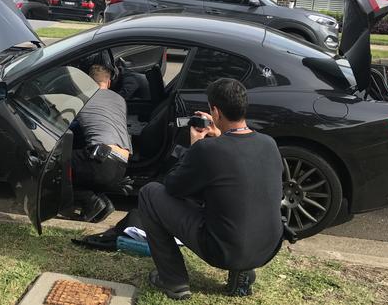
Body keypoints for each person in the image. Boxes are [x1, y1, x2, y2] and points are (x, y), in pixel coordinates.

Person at [138, 78, 284, 300]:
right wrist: (219, 136)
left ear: (215, 112)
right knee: (241, 199)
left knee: (150, 194)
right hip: (268, 247)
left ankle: (174, 281)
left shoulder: (208, 150)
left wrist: (196, 144)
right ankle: (242, 272)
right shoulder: (269, 143)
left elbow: (174, 186)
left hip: (224, 249)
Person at [72, 64, 132, 222]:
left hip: (101, 160)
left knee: (56, 164)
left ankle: (91, 201)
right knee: (83, 163)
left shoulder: (83, 97)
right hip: (122, 164)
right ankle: (103, 202)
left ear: (87, 82)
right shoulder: (119, 99)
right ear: (109, 83)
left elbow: (67, 124)